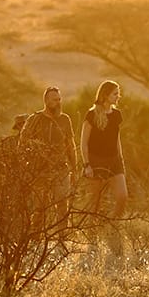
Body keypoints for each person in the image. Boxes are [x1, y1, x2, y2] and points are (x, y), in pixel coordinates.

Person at [18, 86, 77, 222]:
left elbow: (70, 145)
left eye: (59, 99)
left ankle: (62, 239)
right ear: (46, 101)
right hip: (40, 169)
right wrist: (26, 166)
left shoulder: (65, 119)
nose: (58, 102)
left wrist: (74, 168)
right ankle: (36, 240)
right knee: (40, 207)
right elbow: (22, 143)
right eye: (54, 100)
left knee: (62, 205)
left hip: (61, 169)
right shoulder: (35, 119)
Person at [79, 80, 128, 224]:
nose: (118, 97)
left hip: (114, 160)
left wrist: (121, 158)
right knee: (95, 202)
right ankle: (92, 236)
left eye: (118, 94)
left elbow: (117, 138)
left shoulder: (117, 114)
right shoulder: (91, 114)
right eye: (115, 94)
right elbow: (83, 143)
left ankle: (112, 226)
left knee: (122, 196)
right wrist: (87, 165)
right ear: (105, 95)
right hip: (95, 161)